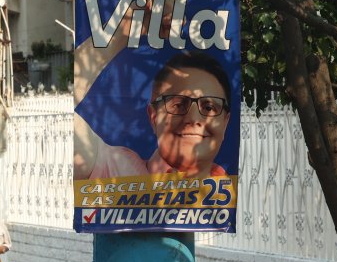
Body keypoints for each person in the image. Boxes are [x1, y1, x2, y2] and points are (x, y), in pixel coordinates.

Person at [87, 52, 232, 179]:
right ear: (154, 117)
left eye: (208, 107)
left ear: (225, 123)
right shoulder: (118, 171)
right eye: (178, 105)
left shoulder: (231, 187)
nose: (193, 119)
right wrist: (120, 33)